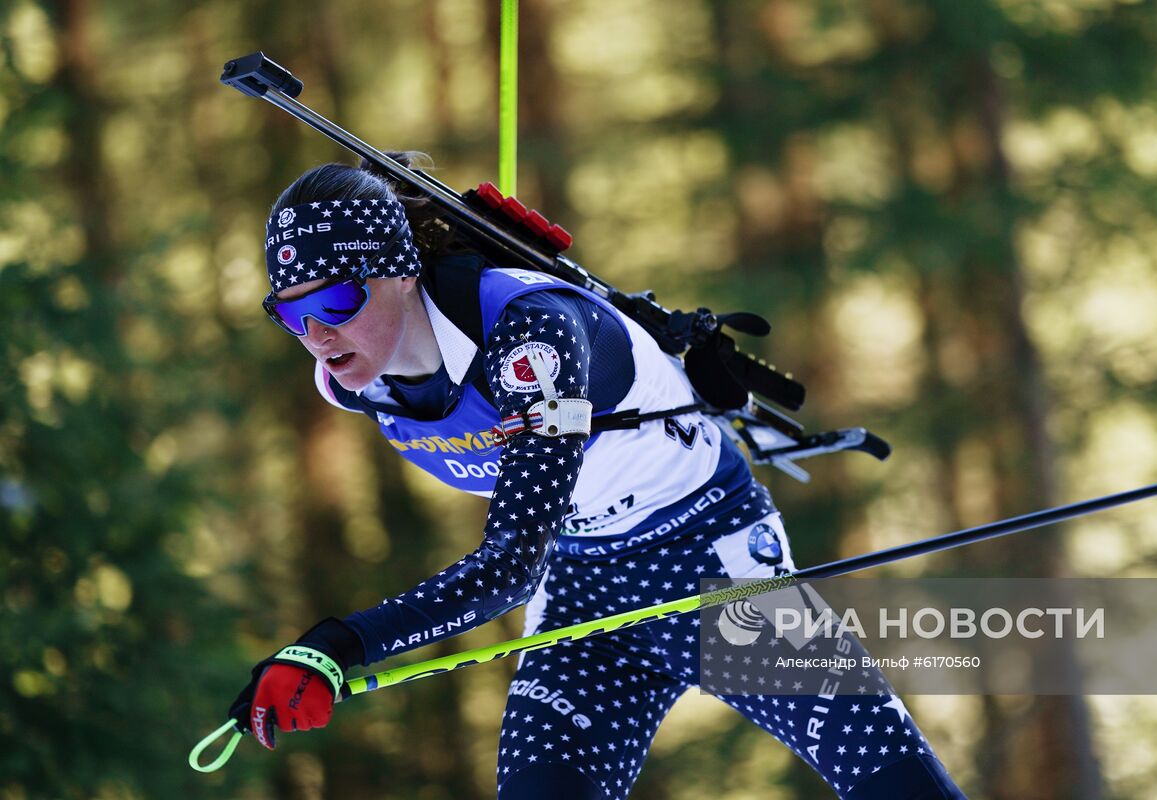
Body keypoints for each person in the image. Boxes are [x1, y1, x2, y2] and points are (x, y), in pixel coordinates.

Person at [227, 153, 965, 799]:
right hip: (580, 586)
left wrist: (336, 645)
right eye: (289, 315)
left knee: (891, 783)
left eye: (335, 301)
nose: (317, 337)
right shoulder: (354, 377)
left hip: (703, 561)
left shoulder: (534, 336)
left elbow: (511, 563)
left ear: (401, 271)